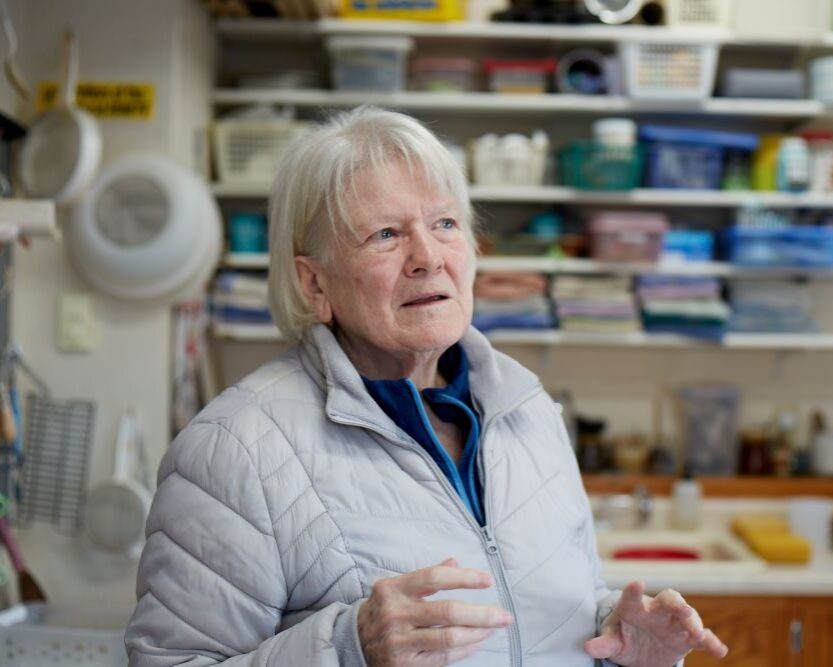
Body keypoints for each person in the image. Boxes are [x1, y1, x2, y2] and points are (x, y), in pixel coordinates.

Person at [125, 106, 728, 667]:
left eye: (444, 223)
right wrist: (348, 649)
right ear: (314, 285)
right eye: (385, 234)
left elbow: (555, 606)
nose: (427, 257)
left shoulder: (527, 410)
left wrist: (620, 644)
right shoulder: (235, 449)